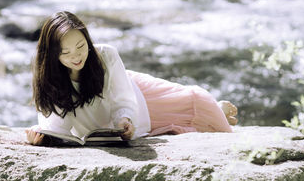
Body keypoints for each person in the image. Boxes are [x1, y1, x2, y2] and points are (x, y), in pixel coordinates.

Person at [26, 11, 237, 146]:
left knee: (197, 102)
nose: (76, 56)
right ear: (53, 55)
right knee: (170, 124)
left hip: (133, 92)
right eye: (65, 52)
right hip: (104, 120)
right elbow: (56, 125)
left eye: (81, 46)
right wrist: (42, 137)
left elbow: (123, 97)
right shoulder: (50, 76)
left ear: (88, 40)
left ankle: (217, 111)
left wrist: (124, 119)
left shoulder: (105, 55)